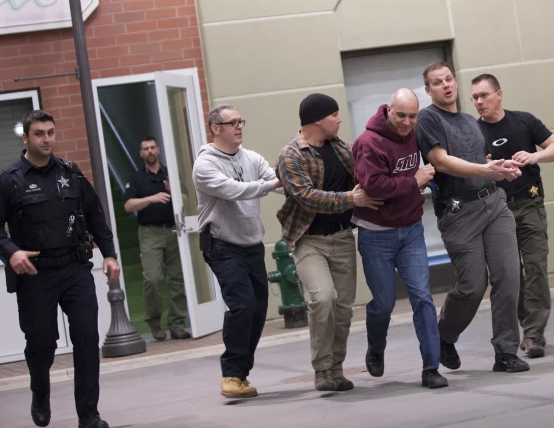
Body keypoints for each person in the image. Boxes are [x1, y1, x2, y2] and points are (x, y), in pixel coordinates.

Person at [0, 110, 119, 428]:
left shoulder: (70, 173)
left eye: (51, 132)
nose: (47, 139)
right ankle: (40, 392)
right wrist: (11, 252)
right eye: (40, 133)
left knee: (86, 338)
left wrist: (109, 255)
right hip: (34, 275)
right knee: (42, 344)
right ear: (26, 137)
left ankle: (89, 415)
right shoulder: (9, 180)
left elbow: (96, 216)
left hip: (74, 269)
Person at [415, 62, 530, 374]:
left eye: (449, 79)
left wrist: (497, 167)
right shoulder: (427, 119)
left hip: (494, 203)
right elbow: (442, 161)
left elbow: (480, 161)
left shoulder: (469, 120)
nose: (446, 85)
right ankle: (444, 335)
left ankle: (505, 352)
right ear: (428, 90)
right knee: (472, 286)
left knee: (508, 276)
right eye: (437, 83)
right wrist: (484, 169)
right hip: (459, 211)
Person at [276, 93, 382, 392]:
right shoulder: (291, 155)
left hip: (342, 237)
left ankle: (336, 369)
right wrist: (351, 198)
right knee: (322, 299)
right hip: (308, 240)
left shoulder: (342, 148)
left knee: (343, 308)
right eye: (334, 114)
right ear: (318, 120)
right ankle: (322, 370)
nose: (339, 119)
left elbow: (365, 175)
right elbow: (305, 196)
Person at [352, 89, 448, 389]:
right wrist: (414, 181)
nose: (407, 123)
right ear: (388, 111)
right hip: (376, 234)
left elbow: (438, 154)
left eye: (413, 116)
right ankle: (376, 347)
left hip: (412, 230)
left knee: (422, 297)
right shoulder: (369, 143)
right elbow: (374, 186)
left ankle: (431, 367)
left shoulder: (415, 133)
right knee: (384, 303)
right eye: (401, 115)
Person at [472, 74, 554, 358]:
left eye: (484, 96)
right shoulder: (473, 132)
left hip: (530, 205)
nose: (479, 102)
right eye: (475, 98)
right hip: (497, 211)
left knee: (535, 266)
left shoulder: (523, 121)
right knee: (511, 275)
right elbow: (468, 171)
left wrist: (534, 156)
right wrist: (485, 167)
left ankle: (535, 335)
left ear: (498, 94)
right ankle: (527, 325)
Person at [193, 105, 279, 399]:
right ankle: (231, 373)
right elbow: (235, 190)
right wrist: (273, 184)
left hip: (251, 245)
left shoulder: (251, 158)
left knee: (257, 311)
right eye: (231, 123)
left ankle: (240, 374)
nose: (238, 126)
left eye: (240, 121)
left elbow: (276, 180)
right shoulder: (205, 165)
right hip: (222, 246)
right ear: (215, 129)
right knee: (242, 304)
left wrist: (296, 182)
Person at [123, 136, 190, 341]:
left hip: (174, 229)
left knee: (178, 279)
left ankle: (177, 324)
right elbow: (128, 205)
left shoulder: (170, 175)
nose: (150, 151)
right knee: (152, 279)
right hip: (150, 232)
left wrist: (174, 192)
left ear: (158, 150)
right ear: (141, 153)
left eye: (153, 147)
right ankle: (154, 323)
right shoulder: (136, 179)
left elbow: (188, 201)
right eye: (146, 149)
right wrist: (151, 199)